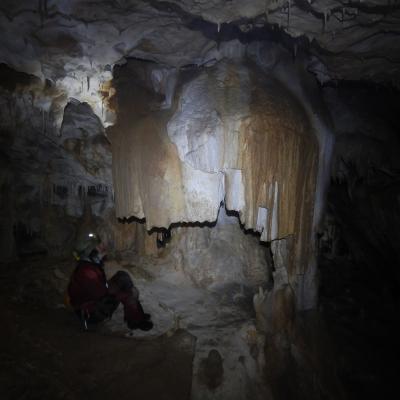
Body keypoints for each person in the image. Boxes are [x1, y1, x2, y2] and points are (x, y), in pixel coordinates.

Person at [67, 231, 153, 331]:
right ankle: (136, 321)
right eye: (98, 246)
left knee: (122, 276)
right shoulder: (87, 272)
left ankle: (134, 315)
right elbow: (103, 296)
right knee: (129, 295)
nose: (102, 247)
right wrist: (128, 295)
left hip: (96, 298)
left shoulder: (90, 265)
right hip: (91, 312)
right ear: (90, 253)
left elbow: (102, 288)